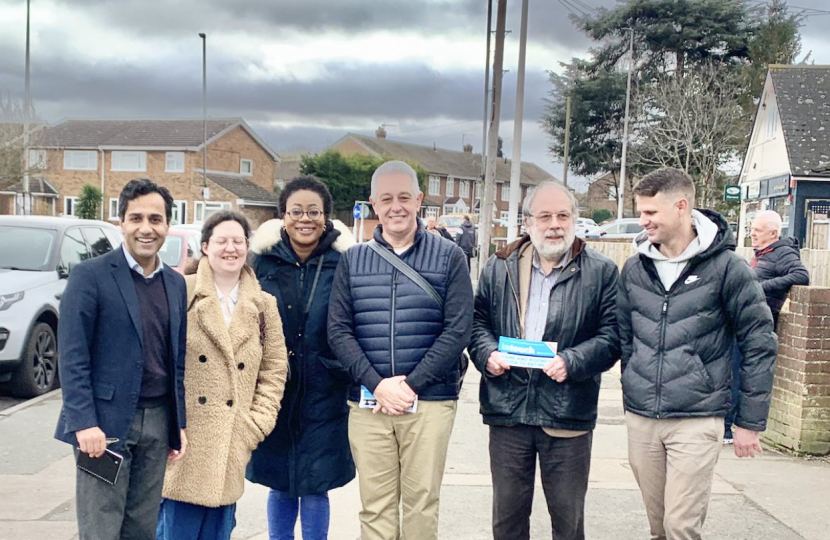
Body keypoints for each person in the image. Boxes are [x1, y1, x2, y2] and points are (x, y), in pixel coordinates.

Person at [617, 168, 777, 540]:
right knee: (658, 527)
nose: (643, 222)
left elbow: (759, 341)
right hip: (643, 417)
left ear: (681, 207)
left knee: (680, 527)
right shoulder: (634, 269)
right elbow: (625, 336)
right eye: (641, 212)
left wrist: (749, 422)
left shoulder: (728, 268)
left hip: (697, 417)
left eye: (651, 213)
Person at [328, 160, 473, 540]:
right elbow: (339, 331)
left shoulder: (449, 257)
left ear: (419, 200)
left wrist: (411, 386)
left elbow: (458, 330)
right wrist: (377, 385)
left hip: (430, 402)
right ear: (374, 203)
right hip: (368, 403)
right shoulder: (353, 260)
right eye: (387, 198)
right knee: (375, 506)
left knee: (422, 503)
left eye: (404, 197)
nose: (396, 206)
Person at [468, 181, 620, 540]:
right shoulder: (499, 267)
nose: (555, 224)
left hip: (567, 412)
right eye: (545, 216)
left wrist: (573, 360)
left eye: (563, 215)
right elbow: (477, 323)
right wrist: (487, 354)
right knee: (507, 521)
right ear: (527, 222)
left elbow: (613, 336)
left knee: (568, 523)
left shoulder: (601, 272)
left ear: (575, 220)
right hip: (508, 410)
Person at [55, 178, 188, 540]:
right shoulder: (91, 276)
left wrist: (179, 426)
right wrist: (84, 423)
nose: (146, 228)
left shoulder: (175, 284)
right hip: (104, 428)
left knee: (142, 528)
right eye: (136, 218)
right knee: (101, 527)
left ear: (167, 225)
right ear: (122, 223)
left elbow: (176, 361)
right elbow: (72, 356)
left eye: (156, 219)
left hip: (158, 425)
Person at [157, 210, 288, 540]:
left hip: (233, 438)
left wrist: (255, 424)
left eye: (238, 241)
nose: (230, 248)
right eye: (221, 241)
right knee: (175, 531)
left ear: (247, 247)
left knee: (218, 532)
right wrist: (170, 425)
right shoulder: (179, 292)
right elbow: (158, 361)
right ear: (205, 246)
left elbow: (274, 370)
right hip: (184, 441)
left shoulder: (263, 305)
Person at [247, 176, 356, 540]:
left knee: (314, 484)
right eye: (296, 211)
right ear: (283, 216)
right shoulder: (260, 263)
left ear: (326, 217)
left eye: (314, 211)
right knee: (280, 481)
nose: (304, 219)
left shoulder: (344, 263)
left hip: (324, 390)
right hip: (274, 389)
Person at [723, 210, 809, 443]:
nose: (752, 234)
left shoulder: (782, 253)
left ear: (773, 233)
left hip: (758, 323)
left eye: (757, 230)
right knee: (731, 371)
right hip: (744, 320)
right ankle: (725, 427)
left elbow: (801, 275)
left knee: (737, 372)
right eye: (752, 229)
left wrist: (759, 287)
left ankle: (727, 429)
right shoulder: (763, 253)